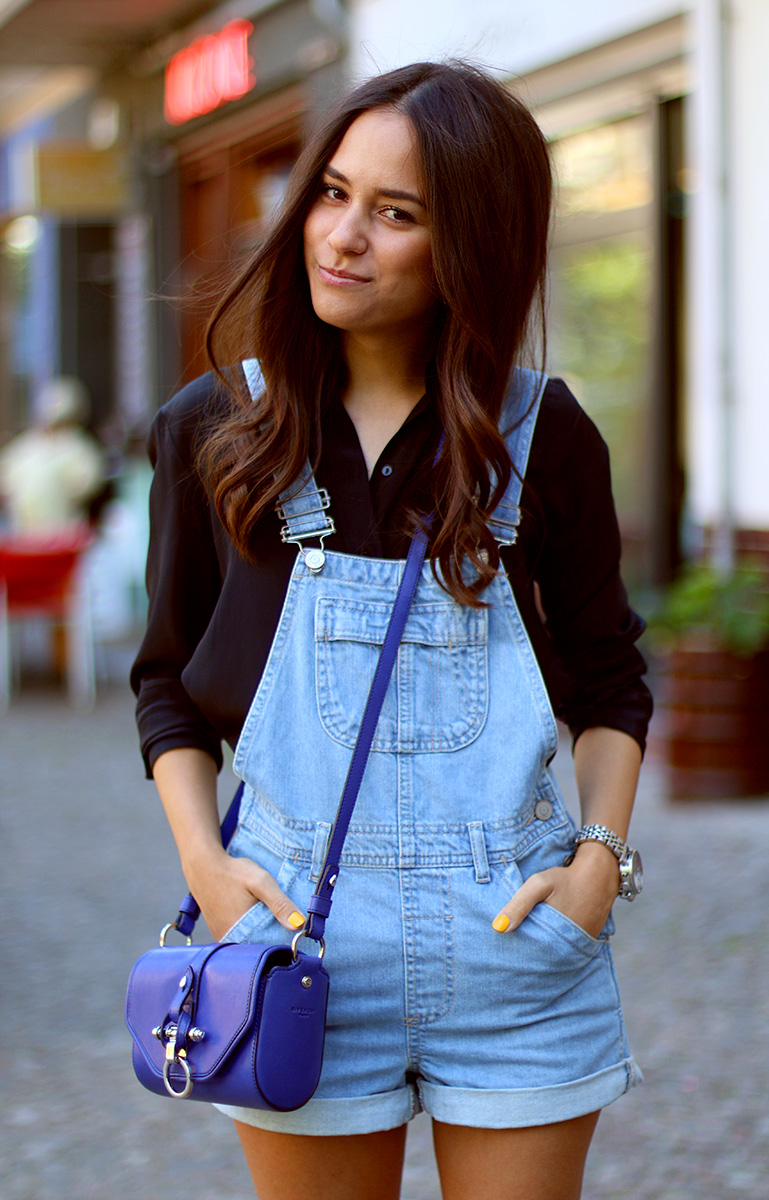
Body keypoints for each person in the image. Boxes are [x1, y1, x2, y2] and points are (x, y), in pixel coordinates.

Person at [131, 61, 652, 1200]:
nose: (340, 235)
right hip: (289, 944)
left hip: (514, 950)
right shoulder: (218, 429)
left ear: (469, 242)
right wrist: (206, 869)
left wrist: (597, 868)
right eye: (330, 192)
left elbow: (611, 681)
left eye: (394, 213)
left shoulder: (541, 435)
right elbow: (165, 680)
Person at [0, 376, 105, 534]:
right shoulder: (27, 444)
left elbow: (87, 484)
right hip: (24, 534)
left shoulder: (77, 445)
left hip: (65, 534)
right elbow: (6, 479)